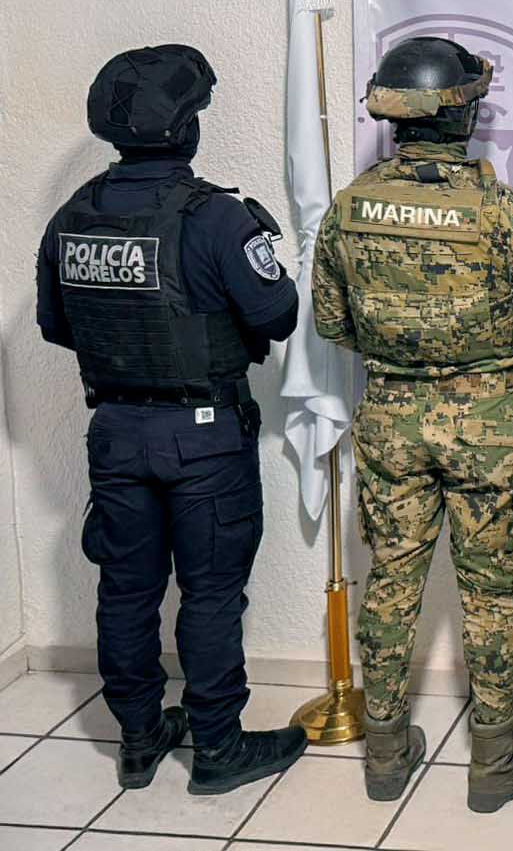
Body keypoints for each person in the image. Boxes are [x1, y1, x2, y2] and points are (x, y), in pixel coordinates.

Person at [36, 45, 308, 794]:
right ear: (186, 128)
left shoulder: (73, 215)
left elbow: (57, 326)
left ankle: (138, 737)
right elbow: (278, 315)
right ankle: (217, 746)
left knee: (126, 592)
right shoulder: (215, 217)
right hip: (203, 437)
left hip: (115, 433)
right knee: (211, 594)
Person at [311, 37, 513, 812]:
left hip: (390, 421)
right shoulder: (501, 209)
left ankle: (384, 755)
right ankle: (494, 761)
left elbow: (331, 322)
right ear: (463, 114)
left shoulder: (350, 207)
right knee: (490, 594)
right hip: (487, 425)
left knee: (391, 583)